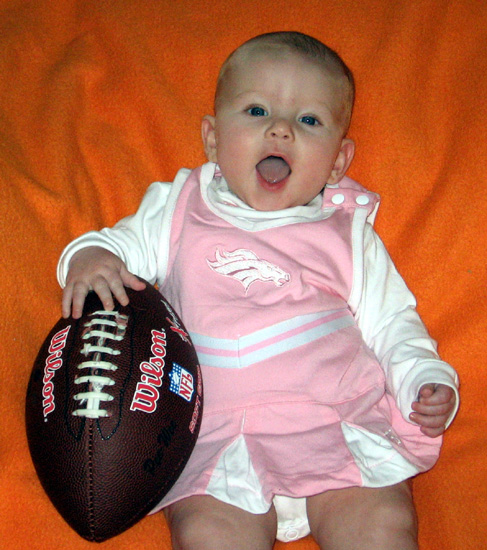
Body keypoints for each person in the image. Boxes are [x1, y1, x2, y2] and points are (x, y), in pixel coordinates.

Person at [58, 31, 459, 550]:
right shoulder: (180, 207)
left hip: (335, 421)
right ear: (212, 139)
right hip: (213, 434)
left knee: (381, 525)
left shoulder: (346, 232)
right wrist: (89, 257)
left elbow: (392, 322)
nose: (280, 129)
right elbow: (114, 248)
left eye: (308, 120)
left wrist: (422, 377)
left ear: (338, 161)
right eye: (256, 111)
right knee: (207, 534)